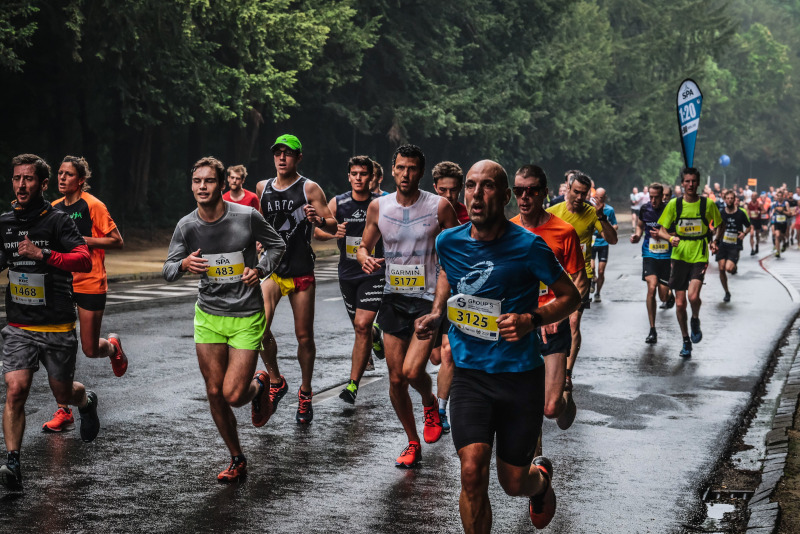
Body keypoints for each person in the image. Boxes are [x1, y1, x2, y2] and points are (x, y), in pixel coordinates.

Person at [417, 159, 580, 532]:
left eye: (488, 186)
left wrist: (531, 320)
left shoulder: (529, 247)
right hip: (470, 376)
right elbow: (448, 272)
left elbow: (569, 296)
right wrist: (436, 313)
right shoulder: (448, 241)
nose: (477, 194)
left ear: (505, 196)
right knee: (471, 472)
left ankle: (540, 481)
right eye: (471, 185)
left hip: (519, 378)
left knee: (512, 483)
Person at [163, 156, 285, 482]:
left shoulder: (246, 216)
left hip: (246, 313)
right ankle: (237, 458)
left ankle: (260, 385)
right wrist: (184, 265)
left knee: (233, 394)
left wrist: (259, 269)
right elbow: (168, 269)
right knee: (214, 392)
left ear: (221, 184)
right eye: (197, 181)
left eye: (209, 181)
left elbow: (276, 246)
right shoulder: (187, 225)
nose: (202, 187)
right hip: (208, 315)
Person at [357, 144, 459, 467]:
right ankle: (412, 441)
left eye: (412, 168)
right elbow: (363, 245)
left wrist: (444, 303)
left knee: (413, 370)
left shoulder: (439, 207)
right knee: (396, 379)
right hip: (392, 298)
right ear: (392, 169)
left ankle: (430, 403)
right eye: (400, 168)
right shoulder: (378, 207)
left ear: (421, 172)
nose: (405, 174)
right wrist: (364, 259)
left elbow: (458, 252)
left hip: (427, 300)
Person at [1, 154, 96, 491]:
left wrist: (43, 255)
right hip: (19, 325)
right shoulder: (6, 222)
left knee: (63, 392)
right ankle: (13, 461)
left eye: (28, 179)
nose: (21, 185)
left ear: (42, 184)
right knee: (16, 390)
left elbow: (83, 259)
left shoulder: (58, 221)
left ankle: (85, 402)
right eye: (16, 178)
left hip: (56, 326)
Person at [255, 134, 338, 424]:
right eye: (277, 152)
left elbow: (332, 222)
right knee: (258, 328)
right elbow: (259, 222)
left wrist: (319, 221)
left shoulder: (309, 187)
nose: (281, 158)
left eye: (288, 153)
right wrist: (257, 240)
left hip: (301, 269)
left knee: (304, 336)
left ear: (298, 158)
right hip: (273, 270)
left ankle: (305, 392)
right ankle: (276, 380)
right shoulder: (262, 187)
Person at [42, 156, 126, 434]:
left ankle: (113, 347)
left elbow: (117, 241)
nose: (62, 178)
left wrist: (82, 240)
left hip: (90, 282)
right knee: (60, 348)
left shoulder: (93, 205)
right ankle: (64, 409)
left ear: (80, 180)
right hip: (61, 283)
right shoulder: (52, 208)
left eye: (68, 175)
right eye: (60, 174)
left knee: (90, 349)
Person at [510, 164, 586, 433]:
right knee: (521, 403)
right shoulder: (507, 231)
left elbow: (579, 280)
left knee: (552, 409)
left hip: (552, 323)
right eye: (519, 190)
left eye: (531, 191)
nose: (524, 197)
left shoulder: (563, 232)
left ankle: (566, 400)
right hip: (518, 324)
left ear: (544, 193)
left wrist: (559, 313)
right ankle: (531, 465)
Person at [313, 156, 385, 404]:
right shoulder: (338, 202)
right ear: (348, 176)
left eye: (363, 174)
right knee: (360, 326)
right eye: (354, 173)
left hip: (373, 272)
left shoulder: (382, 203)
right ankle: (375, 335)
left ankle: (352, 384)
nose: (358, 178)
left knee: (361, 325)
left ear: (371, 177)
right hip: (347, 273)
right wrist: (333, 231)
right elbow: (318, 232)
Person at [546, 173, 617, 398]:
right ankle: (549, 365)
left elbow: (612, 239)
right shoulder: (553, 212)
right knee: (551, 323)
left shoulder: (592, 213)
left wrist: (602, 218)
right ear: (567, 188)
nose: (579, 197)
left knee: (573, 322)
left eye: (583, 193)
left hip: (581, 275)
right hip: (554, 276)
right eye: (575, 192)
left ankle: (567, 373)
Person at [656, 167, 724, 358]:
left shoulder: (706, 204)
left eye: (693, 181)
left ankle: (695, 319)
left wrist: (715, 241)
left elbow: (720, 225)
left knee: (692, 297)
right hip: (679, 256)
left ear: (698, 183)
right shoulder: (674, 205)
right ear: (682, 183)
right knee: (679, 304)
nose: (690, 184)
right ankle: (686, 339)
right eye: (687, 181)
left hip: (700, 254)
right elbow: (662, 230)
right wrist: (670, 239)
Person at [430, 160, 468, 432]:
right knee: (432, 357)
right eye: (443, 190)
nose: (448, 196)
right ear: (434, 188)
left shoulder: (469, 215)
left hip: (455, 293)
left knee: (447, 354)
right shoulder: (424, 212)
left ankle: (441, 411)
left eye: (453, 190)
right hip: (424, 294)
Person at [630, 183, 674, 343]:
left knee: (663, 296)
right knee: (651, 287)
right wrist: (637, 235)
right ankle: (652, 329)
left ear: (663, 196)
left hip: (666, 256)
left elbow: (677, 232)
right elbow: (640, 226)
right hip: (649, 254)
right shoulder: (645, 209)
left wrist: (664, 235)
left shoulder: (670, 209)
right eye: (651, 196)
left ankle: (669, 295)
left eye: (657, 197)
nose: (653, 200)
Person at [716, 189, 751, 302]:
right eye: (728, 198)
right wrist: (715, 239)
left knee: (728, 269)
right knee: (721, 269)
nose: (730, 200)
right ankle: (726, 292)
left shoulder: (740, 213)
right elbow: (718, 227)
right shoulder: (721, 212)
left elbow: (749, 226)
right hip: (723, 244)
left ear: (735, 199)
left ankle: (734, 267)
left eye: (732, 198)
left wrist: (744, 233)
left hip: (734, 245)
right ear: (725, 199)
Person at [590, 187, 617, 303]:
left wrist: (610, 228)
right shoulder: (590, 209)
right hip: (592, 241)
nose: (598, 200)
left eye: (600, 198)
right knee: (591, 268)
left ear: (605, 198)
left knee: (601, 271)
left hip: (604, 242)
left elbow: (615, 225)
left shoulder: (610, 210)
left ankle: (598, 293)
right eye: (596, 198)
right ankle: (592, 279)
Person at [771, 190, 790, 257]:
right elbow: (772, 212)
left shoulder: (786, 203)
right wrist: (772, 214)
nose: (779, 198)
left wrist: (783, 211)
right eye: (778, 196)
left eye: (780, 196)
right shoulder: (775, 204)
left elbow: (789, 213)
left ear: (783, 197)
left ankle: (784, 242)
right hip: (777, 222)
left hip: (783, 223)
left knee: (782, 236)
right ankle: (778, 252)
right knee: (777, 235)